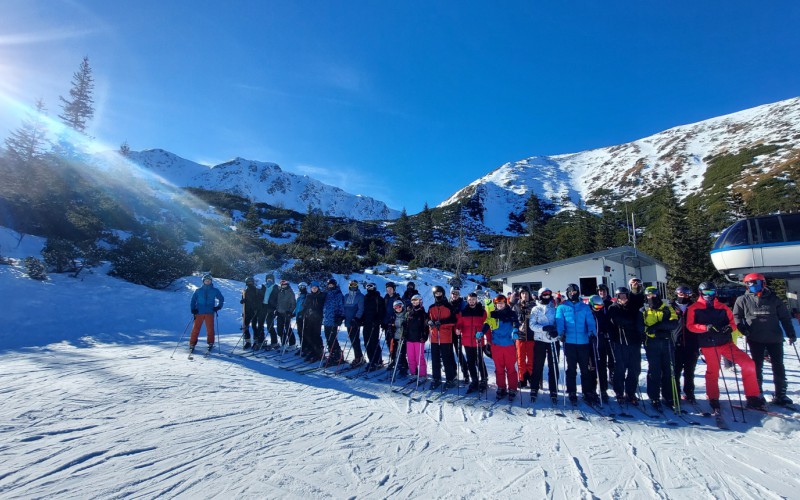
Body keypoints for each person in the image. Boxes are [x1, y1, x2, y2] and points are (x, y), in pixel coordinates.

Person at [686, 281, 763, 411]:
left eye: (711, 292)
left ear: (715, 293)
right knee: (713, 370)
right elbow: (690, 326)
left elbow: (733, 322)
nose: (709, 295)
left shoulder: (722, 307)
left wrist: (729, 328)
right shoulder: (694, 308)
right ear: (700, 292)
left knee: (748, 363)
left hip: (725, 343)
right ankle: (713, 397)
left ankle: (752, 396)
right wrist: (705, 328)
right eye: (706, 292)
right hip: (709, 344)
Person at [733, 273, 798, 406]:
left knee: (778, 366)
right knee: (756, 366)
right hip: (755, 338)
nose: (752, 286)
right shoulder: (742, 300)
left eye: (755, 283)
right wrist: (742, 328)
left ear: (763, 283)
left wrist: (790, 333)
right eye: (749, 284)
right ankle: (757, 393)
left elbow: (785, 317)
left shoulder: (774, 299)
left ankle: (781, 394)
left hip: (774, 338)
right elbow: (737, 316)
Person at [555, 283, 598, 405]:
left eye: (575, 292)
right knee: (571, 368)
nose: (573, 294)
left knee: (585, 369)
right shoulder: (562, 307)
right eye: (571, 292)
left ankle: (587, 391)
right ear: (567, 293)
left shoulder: (584, 307)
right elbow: (560, 322)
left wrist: (591, 332)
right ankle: (572, 391)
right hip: (570, 342)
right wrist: (561, 333)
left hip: (583, 342)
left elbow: (590, 322)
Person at [641, 286, 677, 411]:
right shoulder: (644, 310)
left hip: (666, 342)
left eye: (654, 295)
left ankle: (668, 396)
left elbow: (673, 323)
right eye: (649, 295)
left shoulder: (667, 308)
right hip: (652, 342)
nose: (651, 297)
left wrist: (658, 326)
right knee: (654, 370)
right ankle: (654, 396)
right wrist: (656, 331)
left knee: (668, 370)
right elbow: (644, 328)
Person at [478, 294, 519, 400]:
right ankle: (501, 387)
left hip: (509, 344)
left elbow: (516, 322)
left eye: (501, 303)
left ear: (505, 303)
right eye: (497, 303)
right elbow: (486, 324)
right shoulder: (493, 314)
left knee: (510, 368)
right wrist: (481, 332)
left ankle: (512, 388)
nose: (499, 305)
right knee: (499, 368)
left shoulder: (511, 313)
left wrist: (515, 330)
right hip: (496, 345)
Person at [607, 286, 644, 405]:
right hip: (619, 342)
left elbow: (638, 320)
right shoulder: (613, 307)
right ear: (617, 297)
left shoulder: (633, 307)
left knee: (635, 369)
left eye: (624, 295)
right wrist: (629, 321)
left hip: (634, 342)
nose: (622, 297)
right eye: (620, 295)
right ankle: (619, 392)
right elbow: (618, 320)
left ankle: (630, 392)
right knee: (620, 368)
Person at [529, 288, 560, 404]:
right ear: (540, 295)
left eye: (548, 294)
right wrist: (543, 328)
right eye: (544, 294)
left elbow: (559, 323)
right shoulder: (535, 309)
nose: (547, 296)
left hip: (552, 340)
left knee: (553, 366)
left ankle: (553, 389)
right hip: (540, 340)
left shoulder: (555, 308)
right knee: (538, 365)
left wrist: (557, 331)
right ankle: (534, 387)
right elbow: (532, 325)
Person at [670, 284, 699, 403]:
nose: (683, 296)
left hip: (691, 343)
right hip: (675, 343)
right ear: (677, 294)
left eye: (686, 294)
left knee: (689, 371)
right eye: (681, 294)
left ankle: (689, 392)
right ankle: (675, 392)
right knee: (676, 371)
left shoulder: (694, 306)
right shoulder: (670, 306)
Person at [456, 292, 489, 393]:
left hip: (478, 341)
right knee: (470, 362)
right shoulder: (463, 312)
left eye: (473, 299)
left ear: (476, 300)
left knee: (479, 361)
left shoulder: (482, 312)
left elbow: (487, 324)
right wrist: (457, 329)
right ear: (467, 300)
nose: (471, 301)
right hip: (467, 341)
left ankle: (483, 379)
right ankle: (474, 379)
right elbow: (459, 324)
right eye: (469, 300)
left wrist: (489, 339)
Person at [427, 285, 458, 389]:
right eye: (436, 294)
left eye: (440, 293)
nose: (438, 295)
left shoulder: (449, 307)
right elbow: (427, 319)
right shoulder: (431, 307)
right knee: (435, 359)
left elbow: (453, 321)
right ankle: (436, 378)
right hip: (435, 336)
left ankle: (451, 378)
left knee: (447, 358)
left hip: (445, 337)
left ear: (443, 294)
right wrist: (429, 322)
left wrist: (442, 322)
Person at [189, 274, 224, 353]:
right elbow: (193, 301)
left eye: (209, 280)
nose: (207, 282)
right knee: (196, 328)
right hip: (199, 312)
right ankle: (192, 344)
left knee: (210, 329)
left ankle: (210, 342)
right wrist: (193, 309)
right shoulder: (198, 291)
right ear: (203, 281)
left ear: (211, 281)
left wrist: (218, 307)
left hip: (209, 312)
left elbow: (221, 299)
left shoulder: (215, 290)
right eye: (206, 280)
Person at [592, 284, 615, 402]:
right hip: (599, 337)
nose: (602, 293)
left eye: (604, 291)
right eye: (600, 291)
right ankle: (602, 389)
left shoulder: (611, 304)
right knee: (600, 364)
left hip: (610, 336)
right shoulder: (594, 304)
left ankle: (612, 378)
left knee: (612, 360)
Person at [513, 287, 535, 390]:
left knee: (531, 359)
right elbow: (513, 319)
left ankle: (531, 376)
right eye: (522, 294)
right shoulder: (516, 306)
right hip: (520, 336)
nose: (524, 295)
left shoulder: (534, 306)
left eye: (526, 293)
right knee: (520, 359)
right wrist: (514, 329)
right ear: (520, 295)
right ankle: (522, 379)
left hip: (531, 337)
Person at [362, 282, 386, 371]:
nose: (369, 288)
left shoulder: (379, 298)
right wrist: (361, 319)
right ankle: (371, 360)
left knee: (374, 342)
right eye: (368, 287)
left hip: (374, 324)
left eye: (371, 287)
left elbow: (382, 311)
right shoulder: (365, 298)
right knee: (366, 342)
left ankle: (378, 361)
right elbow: (363, 310)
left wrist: (378, 320)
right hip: (366, 323)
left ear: (375, 288)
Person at [322, 278, 345, 366]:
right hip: (326, 320)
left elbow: (341, 307)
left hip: (334, 319)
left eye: (332, 285)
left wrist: (340, 316)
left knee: (332, 338)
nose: (330, 286)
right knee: (328, 339)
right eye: (329, 285)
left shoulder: (338, 294)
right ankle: (333, 355)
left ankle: (337, 356)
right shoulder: (327, 294)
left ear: (335, 285)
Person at [405, 295, 429, 381]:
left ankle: (423, 375)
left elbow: (426, 327)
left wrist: (425, 336)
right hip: (410, 338)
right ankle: (413, 373)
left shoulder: (423, 314)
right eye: (413, 301)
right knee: (410, 357)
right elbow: (406, 324)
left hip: (419, 339)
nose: (415, 302)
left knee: (419, 358)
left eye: (416, 301)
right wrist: (405, 332)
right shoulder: (409, 313)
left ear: (420, 301)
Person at [343, 280, 366, 367]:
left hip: (355, 321)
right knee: (352, 340)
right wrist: (342, 316)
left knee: (355, 340)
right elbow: (344, 308)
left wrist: (356, 318)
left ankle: (359, 357)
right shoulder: (346, 296)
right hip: (348, 321)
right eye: (351, 285)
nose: (353, 286)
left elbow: (361, 309)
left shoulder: (360, 296)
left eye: (355, 285)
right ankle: (359, 356)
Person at [449, 287, 469, 383]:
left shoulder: (463, 304)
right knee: (449, 353)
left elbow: (464, 318)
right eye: (453, 293)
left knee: (459, 352)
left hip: (458, 331)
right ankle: (453, 373)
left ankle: (465, 374)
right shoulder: (448, 304)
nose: (455, 295)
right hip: (449, 331)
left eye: (456, 293)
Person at [301, 282, 326, 362]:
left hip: (317, 318)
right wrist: (304, 311)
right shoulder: (309, 296)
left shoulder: (321, 296)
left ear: (318, 288)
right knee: (309, 334)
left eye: (315, 287)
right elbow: (306, 306)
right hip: (309, 318)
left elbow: (323, 307)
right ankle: (312, 351)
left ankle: (319, 351)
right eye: (313, 288)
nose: (314, 289)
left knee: (316, 335)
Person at [383, 282, 404, 370]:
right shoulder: (386, 298)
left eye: (390, 289)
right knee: (389, 343)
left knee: (395, 343)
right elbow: (383, 310)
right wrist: (383, 321)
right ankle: (393, 359)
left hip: (395, 324)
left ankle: (399, 361)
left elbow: (401, 310)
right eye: (388, 289)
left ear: (394, 289)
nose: (389, 290)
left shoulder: (397, 298)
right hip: (387, 323)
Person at [388, 300, 409, 378]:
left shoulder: (406, 314)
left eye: (399, 306)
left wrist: (406, 326)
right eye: (396, 307)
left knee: (401, 353)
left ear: (402, 306)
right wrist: (391, 328)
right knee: (395, 353)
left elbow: (409, 325)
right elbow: (390, 325)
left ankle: (403, 368)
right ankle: (399, 364)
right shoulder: (393, 316)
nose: (398, 308)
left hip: (403, 337)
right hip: (396, 337)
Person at [240, 276, 263, 349]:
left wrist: (257, 309)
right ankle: (248, 341)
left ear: (253, 283)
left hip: (254, 312)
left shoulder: (257, 291)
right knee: (245, 326)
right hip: (247, 311)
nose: (250, 283)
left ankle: (256, 341)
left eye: (251, 282)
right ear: (246, 283)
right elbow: (244, 301)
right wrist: (243, 301)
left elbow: (260, 301)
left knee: (254, 326)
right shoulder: (245, 292)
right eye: (248, 282)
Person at [259, 275, 280, 349]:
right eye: (268, 279)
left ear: (273, 280)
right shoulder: (263, 286)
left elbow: (278, 299)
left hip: (271, 308)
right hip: (263, 307)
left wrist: (276, 309)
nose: (269, 281)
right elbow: (259, 296)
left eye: (270, 279)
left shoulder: (276, 287)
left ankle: (274, 342)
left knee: (269, 325)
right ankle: (261, 341)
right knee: (260, 324)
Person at [275, 280, 297, 347]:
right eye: (282, 285)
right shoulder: (280, 292)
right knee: (279, 330)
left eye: (285, 285)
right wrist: (277, 310)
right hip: (280, 313)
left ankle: (292, 343)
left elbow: (293, 304)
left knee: (287, 329)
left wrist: (290, 311)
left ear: (287, 285)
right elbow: (278, 303)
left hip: (287, 313)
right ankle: (283, 343)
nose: (284, 286)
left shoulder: (290, 292)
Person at [293, 282, 308, 355]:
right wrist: (293, 313)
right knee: (299, 333)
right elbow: (297, 307)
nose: (302, 288)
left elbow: (307, 307)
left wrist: (303, 312)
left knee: (304, 333)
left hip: (304, 318)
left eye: (303, 287)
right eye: (300, 287)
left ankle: (306, 347)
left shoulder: (307, 296)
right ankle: (302, 346)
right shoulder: (299, 297)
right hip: (298, 317)